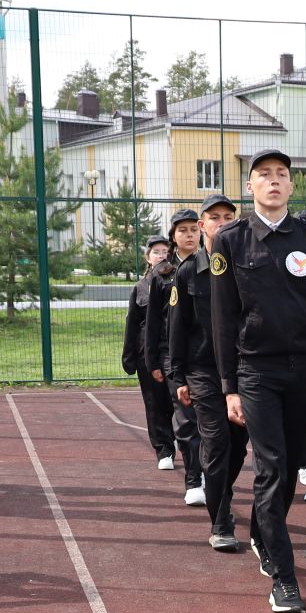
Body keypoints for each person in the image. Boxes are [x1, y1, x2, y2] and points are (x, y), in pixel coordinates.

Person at [210, 149, 306, 613]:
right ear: (250, 187)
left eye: (282, 175)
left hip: (303, 372)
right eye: (264, 175)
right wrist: (229, 386)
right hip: (256, 371)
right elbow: (223, 318)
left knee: (288, 470)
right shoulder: (231, 240)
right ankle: (284, 578)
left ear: (291, 185)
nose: (274, 181)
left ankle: (265, 534)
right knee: (273, 468)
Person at [167, 193, 245, 550]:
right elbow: (177, 330)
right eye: (215, 217)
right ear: (202, 226)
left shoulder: (248, 263)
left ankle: (220, 492)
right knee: (216, 442)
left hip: (245, 371)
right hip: (204, 373)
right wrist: (178, 377)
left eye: (229, 216)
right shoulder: (187, 272)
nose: (223, 222)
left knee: (240, 446)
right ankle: (221, 523)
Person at [145, 213, 202, 505]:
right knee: (186, 418)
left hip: (206, 355)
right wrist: (152, 360)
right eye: (183, 230)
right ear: (173, 236)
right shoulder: (162, 274)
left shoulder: (213, 266)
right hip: (172, 357)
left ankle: (206, 471)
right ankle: (194, 479)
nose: (189, 235)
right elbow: (152, 321)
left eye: (194, 229)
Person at [123, 236, 176, 470]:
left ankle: (182, 443)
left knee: (177, 402)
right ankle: (164, 449)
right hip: (148, 353)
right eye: (156, 252)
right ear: (147, 258)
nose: (162, 255)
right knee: (154, 403)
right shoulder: (140, 288)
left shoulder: (178, 281)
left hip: (175, 352)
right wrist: (129, 356)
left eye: (165, 251)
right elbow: (132, 323)